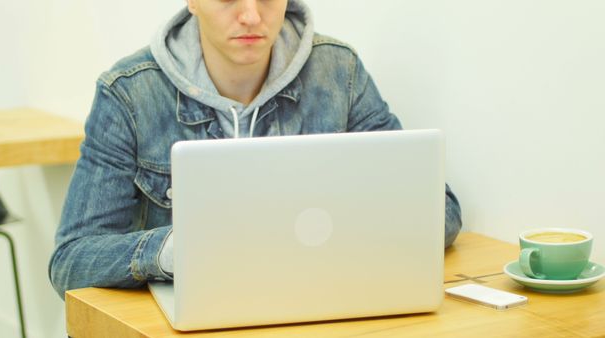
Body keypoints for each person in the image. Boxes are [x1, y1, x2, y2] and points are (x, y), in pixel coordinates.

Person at [48, 0, 462, 299]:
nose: (250, 15)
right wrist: (177, 250)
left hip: (322, 303)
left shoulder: (340, 73)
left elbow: (440, 212)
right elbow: (71, 261)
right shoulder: (130, 93)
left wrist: (341, 234)